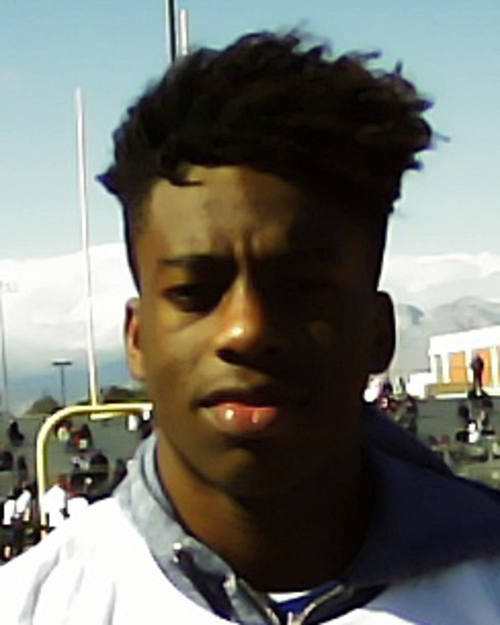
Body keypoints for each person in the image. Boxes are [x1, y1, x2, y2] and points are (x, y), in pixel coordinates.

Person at [3, 30, 500, 623]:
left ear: (378, 333)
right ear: (136, 339)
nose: (247, 330)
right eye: (194, 292)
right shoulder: (33, 606)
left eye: (303, 288)